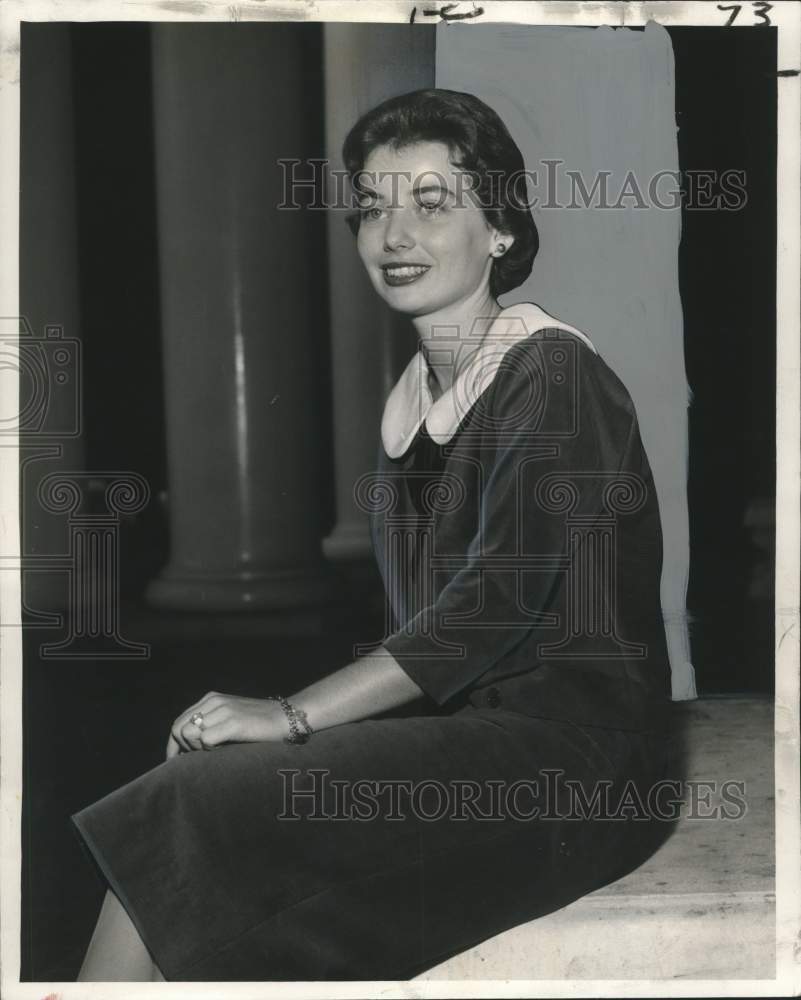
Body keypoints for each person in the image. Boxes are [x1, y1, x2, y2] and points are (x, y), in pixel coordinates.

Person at [72, 88, 672, 982]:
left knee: (198, 806)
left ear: (499, 227)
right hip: (479, 749)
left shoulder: (552, 375)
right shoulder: (416, 408)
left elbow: (485, 611)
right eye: (372, 209)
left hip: (575, 766)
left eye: (431, 205)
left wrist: (289, 717)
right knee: (195, 801)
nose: (393, 238)